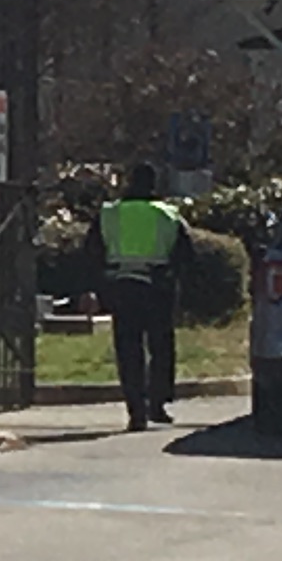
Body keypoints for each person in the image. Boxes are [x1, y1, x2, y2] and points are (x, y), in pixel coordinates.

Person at [100, 160, 188, 431]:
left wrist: (96, 288)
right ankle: (157, 404)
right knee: (161, 347)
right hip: (158, 287)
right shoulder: (167, 215)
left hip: (123, 286)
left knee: (129, 349)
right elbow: (185, 255)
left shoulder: (110, 213)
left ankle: (135, 410)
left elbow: (93, 251)